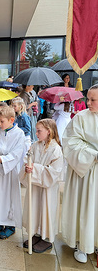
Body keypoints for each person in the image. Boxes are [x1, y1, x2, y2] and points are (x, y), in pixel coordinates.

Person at [61, 84, 98, 264]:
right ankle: (81, 244)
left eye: (93, 100)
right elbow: (69, 142)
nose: (88, 103)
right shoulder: (80, 118)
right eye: (87, 99)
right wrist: (93, 155)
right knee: (84, 207)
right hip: (85, 172)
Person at [19, 119, 64, 253]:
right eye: (36, 130)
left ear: (49, 131)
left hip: (47, 190)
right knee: (35, 208)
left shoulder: (56, 149)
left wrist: (35, 169)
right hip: (35, 186)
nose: (36, 133)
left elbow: (54, 172)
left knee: (46, 209)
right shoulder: (35, 145)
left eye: (39, 131)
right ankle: (36, 233)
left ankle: (47, 238)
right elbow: (28, 160)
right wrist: (27, 167)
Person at [0, 106, 25, 239]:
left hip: (10, 171)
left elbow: (17, 153)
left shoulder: (19, 134)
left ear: (11, 120)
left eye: (2, 121)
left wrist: (2, 159)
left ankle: (10, 225)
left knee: (8, 197)